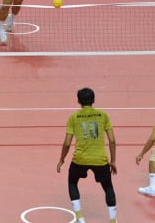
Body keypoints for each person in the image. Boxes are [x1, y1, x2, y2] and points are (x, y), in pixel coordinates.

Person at [57, 88, 118, 223]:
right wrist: (113, 161)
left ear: (78, 101)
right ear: (93, 100)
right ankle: (113, 220)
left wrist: (62, 159)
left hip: (80, 159)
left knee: (72, 182)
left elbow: (67, 143)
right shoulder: (103, 115)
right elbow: (112, 140)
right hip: (100, 159)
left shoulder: (73, 117)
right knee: (108, 187)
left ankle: (80, 218)